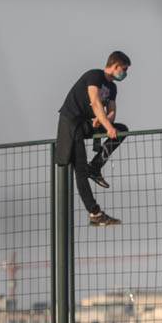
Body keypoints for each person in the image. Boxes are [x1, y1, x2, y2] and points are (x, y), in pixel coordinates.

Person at [55, 51, 131, 227]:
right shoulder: (95, 75)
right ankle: (95, 213)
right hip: (71, 124)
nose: (125, 73)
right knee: (79, 169)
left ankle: (95, 167)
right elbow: (95, 102)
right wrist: (107, 125)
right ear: (115, 65)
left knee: (122, 130)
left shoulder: (113, 88)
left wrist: (106, 122)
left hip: (87, 123)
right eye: (124, 69)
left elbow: (111, 111)